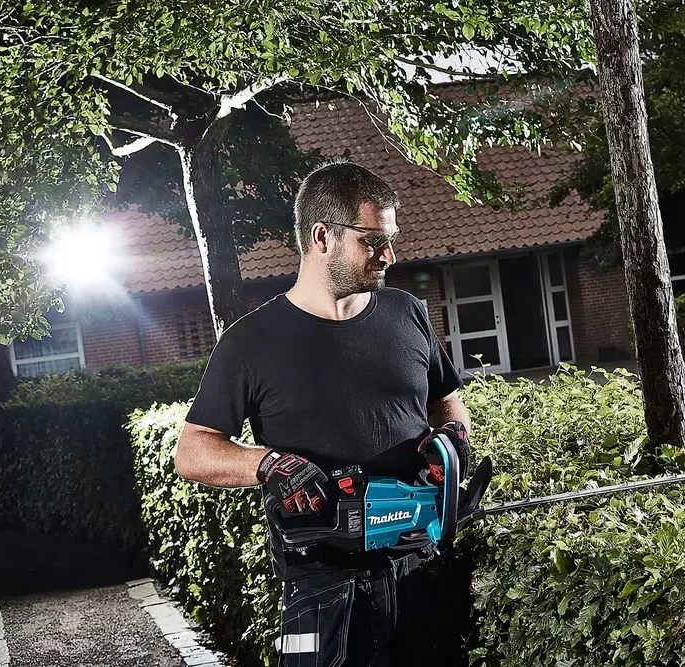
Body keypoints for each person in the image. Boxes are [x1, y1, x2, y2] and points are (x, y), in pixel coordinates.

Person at [174, 161, 474, 667]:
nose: (389, 255)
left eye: (391, 240)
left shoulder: (406, 312)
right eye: (373, 241)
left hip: (421, 569)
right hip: (322, 588)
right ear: (322, 237)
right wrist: (268, 465)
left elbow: (445, 399)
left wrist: (453, 436)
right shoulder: (251, 342)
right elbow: (193, 451)